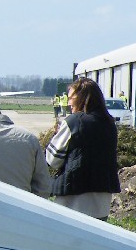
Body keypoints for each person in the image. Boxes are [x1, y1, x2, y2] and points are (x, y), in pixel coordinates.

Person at [45, 77, 121, 220]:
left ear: (81, 97)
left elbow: (52, 159)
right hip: (102, 197)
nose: (68, 103)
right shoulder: (109, 123)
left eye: (71, 98)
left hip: (75, 196)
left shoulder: (74, 121)